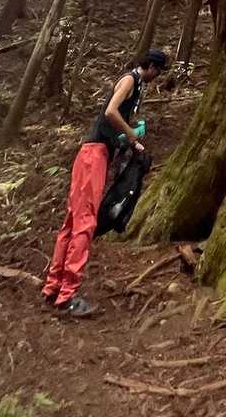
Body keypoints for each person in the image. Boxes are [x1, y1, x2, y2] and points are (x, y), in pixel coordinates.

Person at [42, 49, 169, 317]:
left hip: (92, 153)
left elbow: (112, 121)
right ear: (151, 66)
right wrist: (131, 133)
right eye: (158, 71)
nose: (157, 76)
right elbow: (111, 111)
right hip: (93, 156)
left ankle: (53, 287)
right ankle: (67, 296)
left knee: (72, 221)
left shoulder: (133, 84)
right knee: (85, 222)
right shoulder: (130, 80)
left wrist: (130, 142)